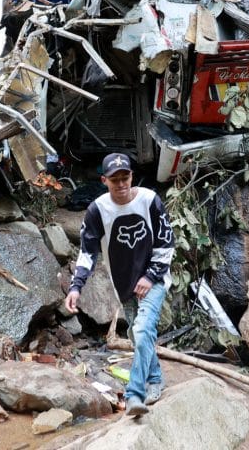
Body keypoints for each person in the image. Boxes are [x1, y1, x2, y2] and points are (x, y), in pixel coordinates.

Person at [63, 152, 175, 417]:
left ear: (131, 177)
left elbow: (166, 241)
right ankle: (156, 379)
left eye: (125, 178)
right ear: (105, 180)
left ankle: (136, 395)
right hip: (124, 283)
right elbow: (88, 252)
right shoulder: (97, 210)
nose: (122, 184)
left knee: (144, 327)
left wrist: (151, 276)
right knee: (138, 335)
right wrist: (76, 286)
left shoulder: (150, 201)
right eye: (115, 180)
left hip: (153, 278)